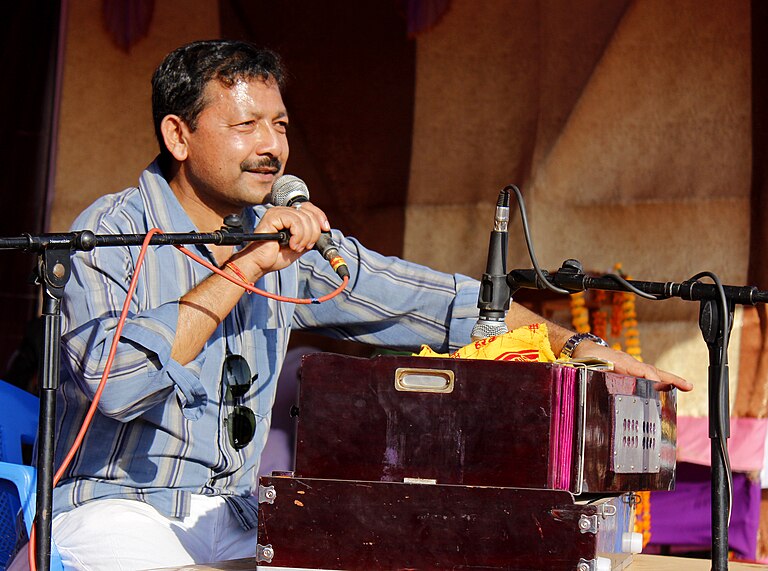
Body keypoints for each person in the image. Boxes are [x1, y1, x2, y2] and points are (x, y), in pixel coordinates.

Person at [8, 39, 691, 571]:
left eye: (279, 124)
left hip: (242, 513)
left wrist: (580, 347)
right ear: (178, 137)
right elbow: (115, 383)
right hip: (113, 512)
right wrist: (247, 268)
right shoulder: (112, 233)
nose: (272, 146)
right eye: (246, 125)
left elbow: (446, 304)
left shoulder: (292, 245)